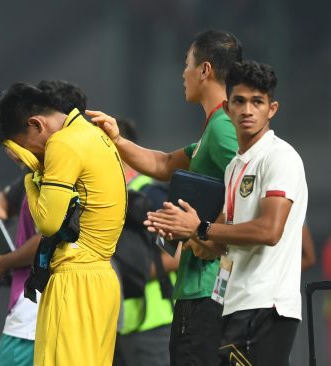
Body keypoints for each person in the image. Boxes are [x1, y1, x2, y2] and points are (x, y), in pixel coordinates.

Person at [88, 30, 242, 364]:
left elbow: (251, 184)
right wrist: (116, 138)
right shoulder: (214, 127)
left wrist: (204, 232)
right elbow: (163, 163)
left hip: (208, 290)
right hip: (197, 289)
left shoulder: (223, 128)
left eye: (186, 64)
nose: (182, 73)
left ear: (204, 70)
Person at [146, 60, 307, 365]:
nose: (247, 110)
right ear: (228, 107)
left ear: (271, 109)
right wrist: (184, 229)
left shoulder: (280, 157)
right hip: (233, 303)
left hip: (267, 306)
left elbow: (269, 232)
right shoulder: (235, 166)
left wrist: (201, 227)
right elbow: (218, 246)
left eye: (257, 102)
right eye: (240, 101)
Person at [0, 82, 126, 365]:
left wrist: (31, 174)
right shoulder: (94, 135)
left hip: (75, 281)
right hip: (102, 280)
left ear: (36, 124)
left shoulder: (62, 144)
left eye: (20, 147)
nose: (23, 156)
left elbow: (47, 224)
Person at [0, 79, 88, 366]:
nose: (13, 150)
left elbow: (53, 234)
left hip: (37, 312)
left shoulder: (64, 169)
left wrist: (2, 262)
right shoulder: (43, 170)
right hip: (44, 310)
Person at [113, 119, 180, 366]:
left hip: (152, 320)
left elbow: (182, 251)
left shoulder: (152, 195)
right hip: (117, 322)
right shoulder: (106, 198)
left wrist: (134, 272)